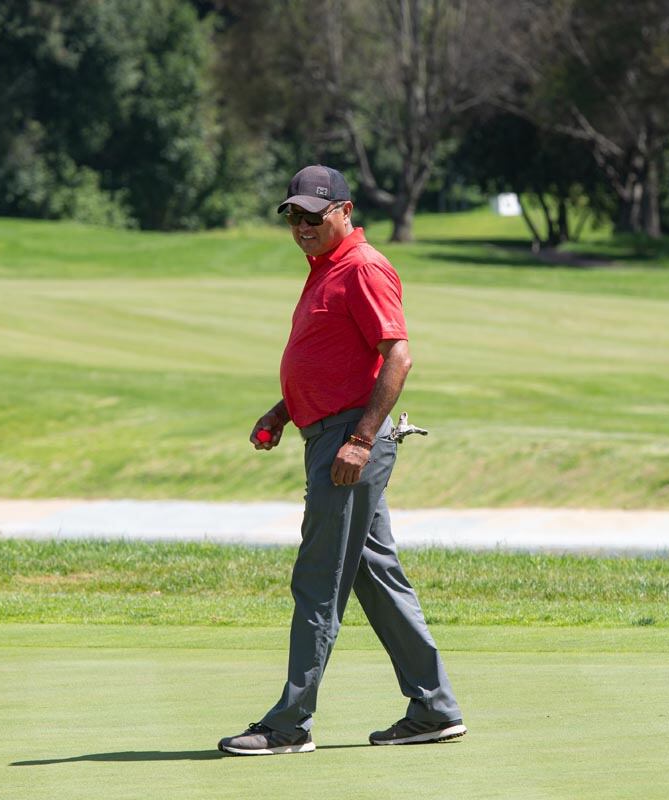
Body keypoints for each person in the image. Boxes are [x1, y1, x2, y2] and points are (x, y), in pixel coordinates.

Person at [217, 165, 465, 756]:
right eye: (293, 216)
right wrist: (283, 411)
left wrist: (361, 439)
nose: (301, 226)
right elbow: (333, 363)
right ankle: (433, 708)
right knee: (374, 578)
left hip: (348, 444)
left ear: (344, 211)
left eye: (313, 214)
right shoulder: (325, 269)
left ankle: (289, 725)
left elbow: (397, 356)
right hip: (329, 435)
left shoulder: (362, 267)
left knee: (318, 579)